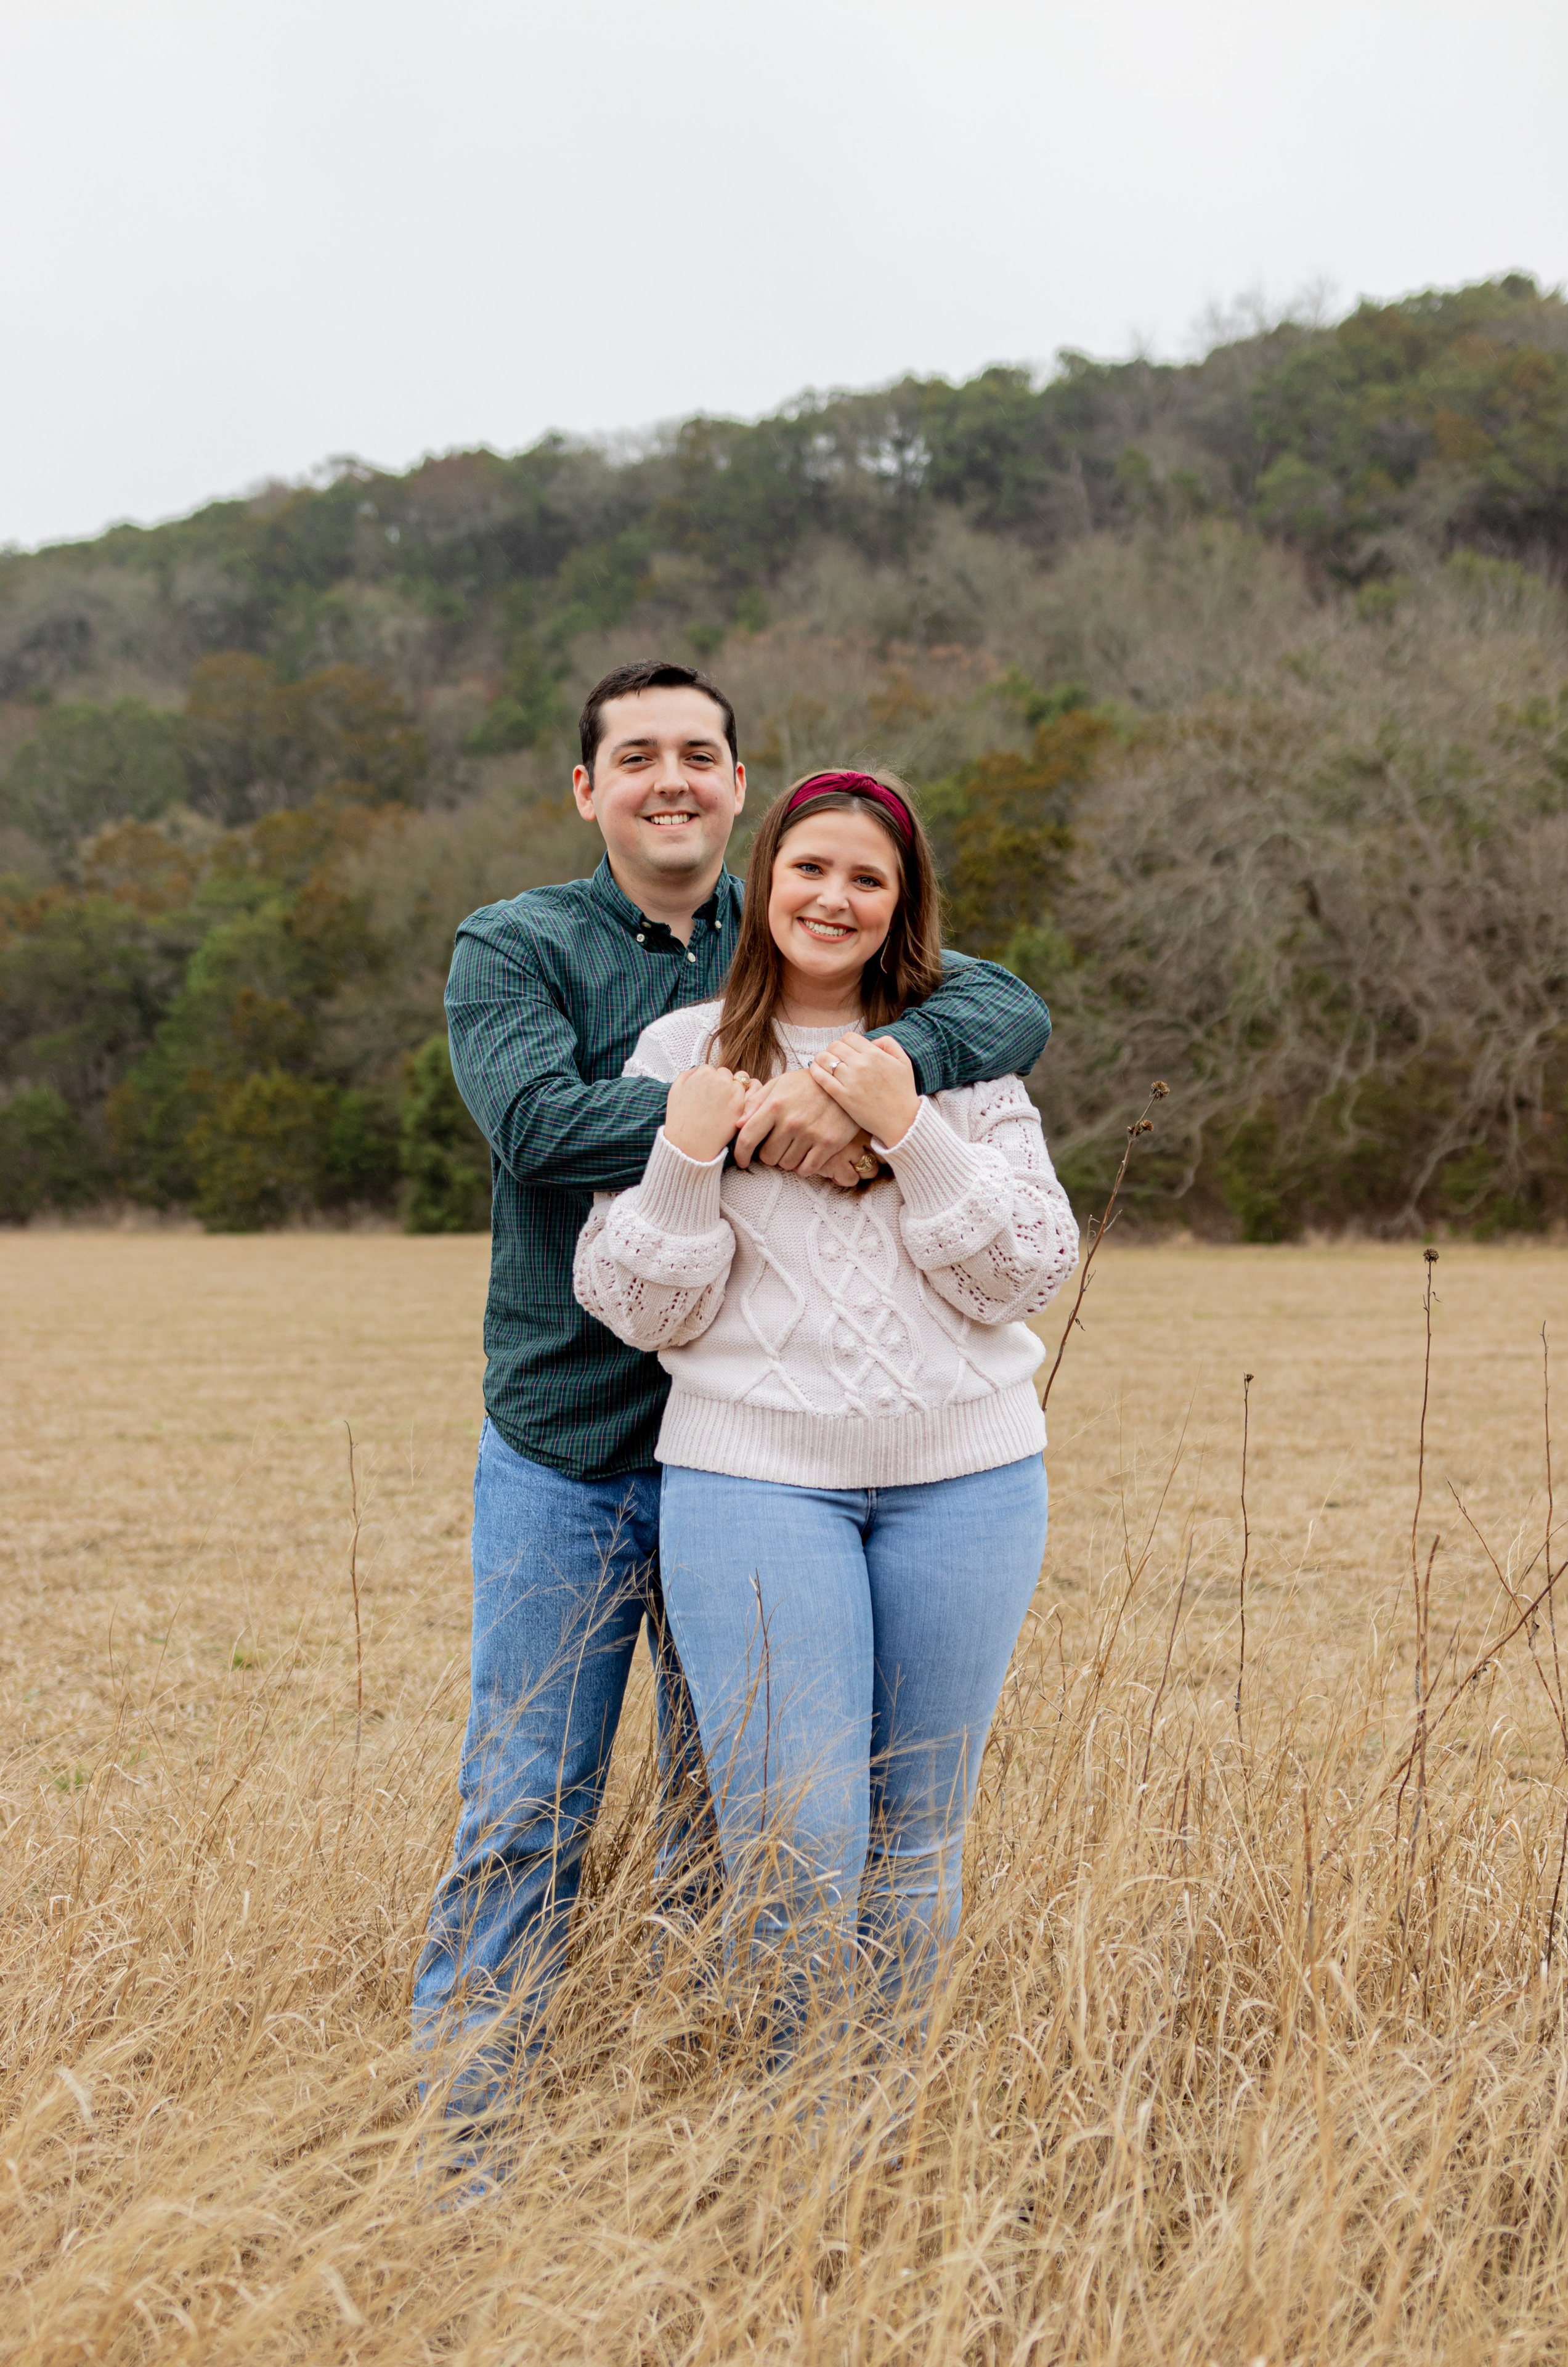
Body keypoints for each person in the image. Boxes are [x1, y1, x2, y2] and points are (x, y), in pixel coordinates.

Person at [413, 665, 1054, 2114]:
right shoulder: (518, 945)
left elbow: (1007, 1006)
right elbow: (530, 1122)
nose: (670, 779)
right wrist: (763, 1115)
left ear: (741, 792)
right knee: (529, 1805)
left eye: (699, 754)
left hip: (759, 1463)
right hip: (579, 1439)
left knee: (756, 1831)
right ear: (587, 790)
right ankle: (468, 2140)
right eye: (634, 756)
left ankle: (707, 2122)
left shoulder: (806, 934)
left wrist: (870, 1076)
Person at [572, 769, 1079, 2051]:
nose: (833, 897)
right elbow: (636, 1305)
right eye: (809, 868)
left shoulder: (960, 1059)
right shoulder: (673, 1055)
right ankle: (804, 2136)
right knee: (796, 1836)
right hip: (753, 1485)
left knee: (914, 1839)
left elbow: (1022, 1270)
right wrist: (686, 1158)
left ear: (901, 906)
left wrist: (905, 1126)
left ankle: (882, 2139)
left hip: (966, 1482)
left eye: (867, 877)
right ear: (763, 885)